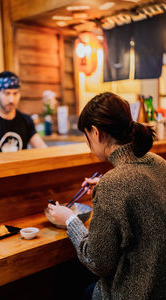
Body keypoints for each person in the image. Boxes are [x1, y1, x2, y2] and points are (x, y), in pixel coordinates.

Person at [47, 92, 166, 300]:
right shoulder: (158, 163)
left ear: (95, 132)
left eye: (87, 137)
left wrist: (70, 219)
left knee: (65, 282)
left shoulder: (114, 183)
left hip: (132, 292)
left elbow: (97, 261)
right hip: (159, 286)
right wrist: (105, 186)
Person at [0, 71, 47, 154]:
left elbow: (42, 149)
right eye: (6, 93)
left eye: (15, 93)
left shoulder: (26, 120)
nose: (11, 100)